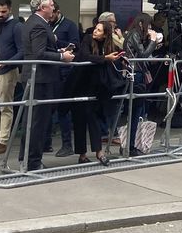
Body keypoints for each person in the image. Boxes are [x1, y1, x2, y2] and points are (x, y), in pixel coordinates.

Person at [20, 0, 74, 171]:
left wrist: (58, 49)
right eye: (51, 5)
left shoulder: (36, 23)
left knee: (33, 119)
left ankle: (26, 157)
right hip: (40, 79)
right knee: (38, 121)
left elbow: (41, 49)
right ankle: (33, 161)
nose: (53, 8)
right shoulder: (39, 26)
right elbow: (39, 53)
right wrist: (61, 56)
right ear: (42, 8)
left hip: (38, 77)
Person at [66, 20, 122, 165]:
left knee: (94, 118)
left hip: (95, 86)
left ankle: (99, 151)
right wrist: (104, 59)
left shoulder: (108, 44)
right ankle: (82, 154)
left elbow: (121, 48)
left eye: (99, 30)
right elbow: (85, 56)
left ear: (105, 35)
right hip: (79, 84)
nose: (95, 31)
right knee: (79, 119)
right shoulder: (87, 39)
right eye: (95, 29)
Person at [0, 0, 24, 155]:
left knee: (5, 106)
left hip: (8, 70)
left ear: (10, 9)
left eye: (3, 11)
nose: (0, 14)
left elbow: (22, 51)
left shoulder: (17, 26)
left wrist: (7, 63)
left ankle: (2, 139)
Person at [123, 13, 160, 156]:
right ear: (141, 24)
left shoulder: (134, 35)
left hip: (136, 73)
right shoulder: (134, 34)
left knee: (137, 111)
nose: (149, 28)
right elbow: (143, 55)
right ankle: (130, 146)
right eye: (148, 25)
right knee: (135, 111)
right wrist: (153, 41)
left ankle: (131, 144)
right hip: (136, 74)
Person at [51, 4, 80, 158]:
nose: (50, 17)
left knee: (63, 108)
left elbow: (76, 44)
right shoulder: (46, 24)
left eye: (52, 14)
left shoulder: (69, 25)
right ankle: (46, 143)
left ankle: (67, 144)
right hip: (51, 71)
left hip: (65, 71)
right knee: (49, 107)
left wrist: (59, 41)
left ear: (58, 12)